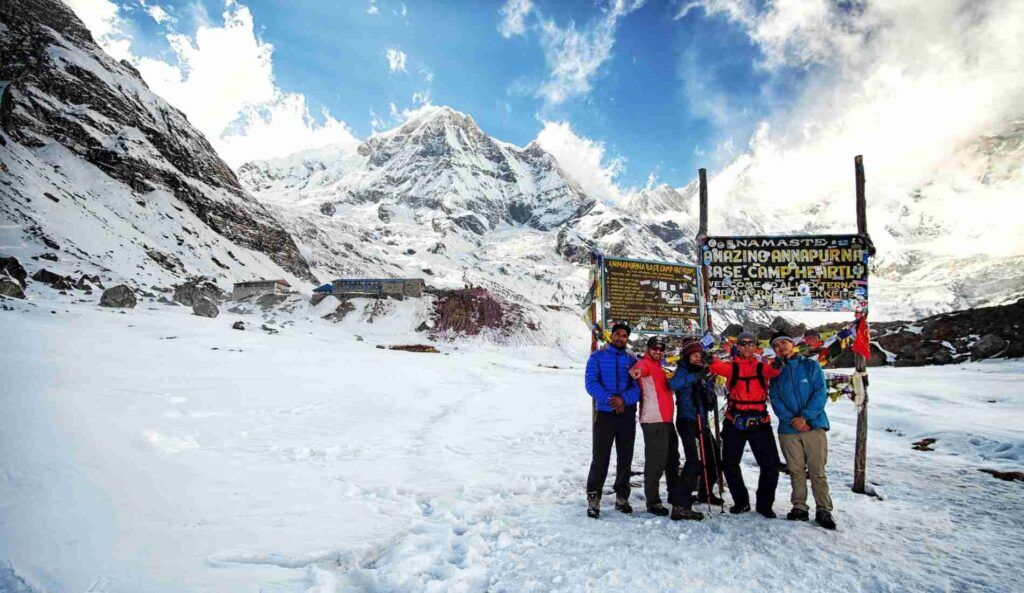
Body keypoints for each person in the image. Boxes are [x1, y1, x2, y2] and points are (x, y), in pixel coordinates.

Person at [705, 330, 784, 518]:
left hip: (760, 422)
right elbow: (718, 367)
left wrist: (778, 365)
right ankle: (741, 502)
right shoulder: (732, 367)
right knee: (730, 464)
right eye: (743, 343)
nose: (747, 346)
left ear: (755, 346)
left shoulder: (761, 367)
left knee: (771, 465)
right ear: (737, 346)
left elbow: (772, 371)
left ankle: (764, 504)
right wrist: (709, 360)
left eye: (750, 343)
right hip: (735, 421)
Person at [768, 332, 837, 530]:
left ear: (792, 344)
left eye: (784, 343)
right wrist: (792, 420)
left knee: (817, 470)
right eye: (776, 345)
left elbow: (820, 392)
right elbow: (776, 399)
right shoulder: (775, 372)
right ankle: (799, 507)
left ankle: (824, 509)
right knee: (796, 470)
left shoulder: (810, 365)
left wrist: (804, 417)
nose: (781, 347)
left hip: (813, 425)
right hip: (788, 429)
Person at [630, 337, 703, 521]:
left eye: (661, 349)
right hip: (654, 420)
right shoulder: (645, 364)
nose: (658, 351)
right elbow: (639, 369)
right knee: (656, 462)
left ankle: (674, 494)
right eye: (655, 348)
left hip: (667, 420)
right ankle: (652, 501)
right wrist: (636, 371)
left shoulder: (659, 367)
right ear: (648, 349)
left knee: (672, 460)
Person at [584, 322, 641, 518]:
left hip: (626, 414)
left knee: (625, 457)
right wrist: (610, 398)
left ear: (627, 339)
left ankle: (622, 497)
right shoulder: (597, 357)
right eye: (617, 334)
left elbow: (638, 388)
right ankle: (594, 497)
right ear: (611, 336)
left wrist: (623, 399)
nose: (620, 338)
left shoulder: (633, 360)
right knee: (600, 458)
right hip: (605, 414)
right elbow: (591, 383)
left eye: (624, 335)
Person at [668, 337, 723, 510]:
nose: (697, 357)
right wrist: (695, 377)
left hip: (702, 421)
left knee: (714, 457)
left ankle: (705, 492)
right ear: (686, 356)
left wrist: (709, 390)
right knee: (693, 461)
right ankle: (681, 501)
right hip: (687, 420)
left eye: (699, 354)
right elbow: (674, 384)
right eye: (693, 355)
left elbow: (709, 398)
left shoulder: (703, 372)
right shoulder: (682, 371)